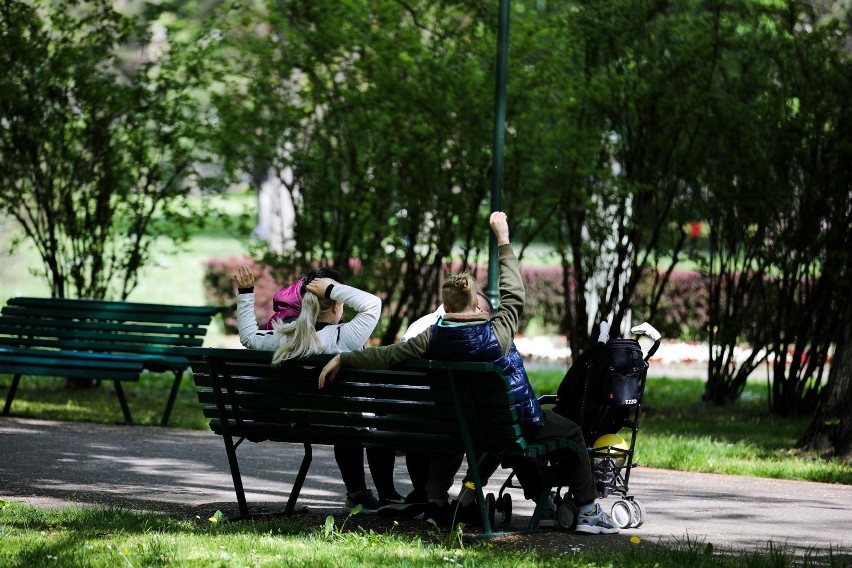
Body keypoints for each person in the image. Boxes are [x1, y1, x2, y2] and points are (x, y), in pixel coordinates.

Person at [318, 212, 620, 534]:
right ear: (477, 307)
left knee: (477, 428)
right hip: (508, 428)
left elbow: (387, 355)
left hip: (462, 428)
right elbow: (514, 294)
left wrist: (344, 359)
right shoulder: (497, 334)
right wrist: (503, 237)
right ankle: (586, 511)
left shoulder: (431, 337)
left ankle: (442, 500)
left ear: (445, 308)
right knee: (570, 432)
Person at [234, 266, 404, 514]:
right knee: (353, 418)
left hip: (297, 420)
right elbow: (373, 304)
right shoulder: (346, 337)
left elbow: (248, 337)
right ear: (337, 306)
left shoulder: (285, 336)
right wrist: (332, 289)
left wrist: (246, 292)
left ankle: (358, 493)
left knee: (345, 417)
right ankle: (369, 494)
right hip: (342, 423)